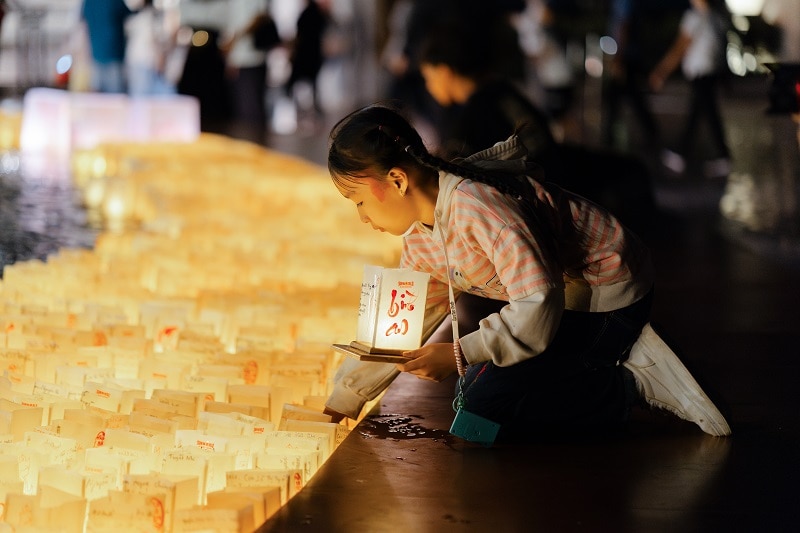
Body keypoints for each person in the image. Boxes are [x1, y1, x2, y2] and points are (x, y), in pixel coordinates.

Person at [322, 103, 731, 443]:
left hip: (607, 293)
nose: (361, 217)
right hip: (560, 301)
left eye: (358, 200)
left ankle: (629, 382)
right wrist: (340, 403)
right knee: (473, 402)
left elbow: (538, 302)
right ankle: (600, 361)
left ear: (396, 180)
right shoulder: (420, 238)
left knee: (483, 406)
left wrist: (459, 353)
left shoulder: (478, 207)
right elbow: (396, 332)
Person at [417, 19, 657, 235]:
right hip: (560, 169)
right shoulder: (503, 91)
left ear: (444, 71)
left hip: (542, 194)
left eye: (428, 77)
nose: (429, 86)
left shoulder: (469, 119)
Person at [649, 0, 732, 178]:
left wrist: (661, 72)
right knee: (699, 115)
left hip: (700, 73)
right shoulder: (717, 17)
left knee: (709, 115)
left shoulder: (694, 17)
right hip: (711, 73)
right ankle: (683, 154)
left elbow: (680, 47)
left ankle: (721, 157)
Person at [285, 0, 329, 127]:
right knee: (312, 85)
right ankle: (312, 113)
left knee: (297, 84)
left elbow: (301, 35)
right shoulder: (317, 13)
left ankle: (305, 113)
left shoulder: (307, 13)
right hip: (313, 54)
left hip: (305, 54)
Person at [80, 0, 134, 93]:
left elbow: (84, 25)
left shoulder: (88, 2)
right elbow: (130, 14)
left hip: (96, 56)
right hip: (113, 56)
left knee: (98, 98)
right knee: (116, 99)